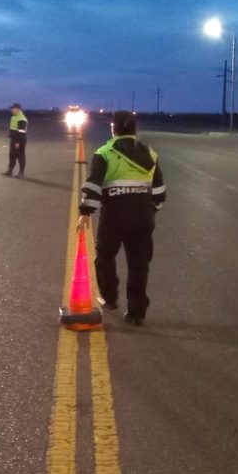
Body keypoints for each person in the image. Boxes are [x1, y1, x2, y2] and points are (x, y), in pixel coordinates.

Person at [77, 111, 166, 325]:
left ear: (113, 129)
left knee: (105, 256)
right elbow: (159, 191)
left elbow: (93, 184)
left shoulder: (105, 152)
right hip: (142, 216)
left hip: (115, 215)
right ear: (135, 130)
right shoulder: (150, 154)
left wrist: (86, 212)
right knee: (139, 264)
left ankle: (110, 298)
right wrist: (150, 210)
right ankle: (136, 313)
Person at [2, 102, 28, 177]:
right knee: (12, 156)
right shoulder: (14, 117)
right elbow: (13, 128)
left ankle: (21, 172)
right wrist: (10, 136)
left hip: (20, 141)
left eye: (13, 109)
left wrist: (17, 142)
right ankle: (10, 171)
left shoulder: (21, 118)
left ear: (17, 109)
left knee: (20, 156)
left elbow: (21, 132)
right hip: (14, 140)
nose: (11, 110)